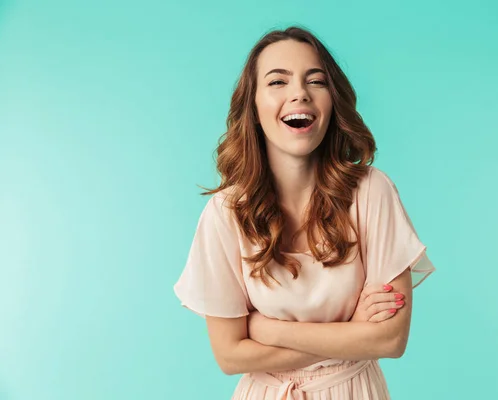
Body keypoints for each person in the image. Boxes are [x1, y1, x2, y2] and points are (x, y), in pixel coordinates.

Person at [174, 26, 436, 400]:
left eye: (316, 81)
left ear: (333, 100)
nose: (299, 93)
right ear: (254, 107)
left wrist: (267, 329)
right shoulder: (225, 213)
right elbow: (230, 356)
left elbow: (391, 339)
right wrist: (353, 331)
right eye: (277, 82)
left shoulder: (371, 192)